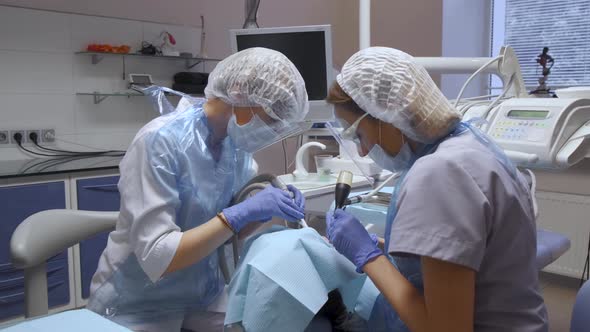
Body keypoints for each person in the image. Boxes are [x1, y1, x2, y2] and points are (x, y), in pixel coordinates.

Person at [325, 47, 548, 331]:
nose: (363, 149)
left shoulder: (438, 173)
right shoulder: (469, 144)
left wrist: (368, 258)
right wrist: (382, 249)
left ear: (384, 114)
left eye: (359, 134)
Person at [87, 47, 309, 332]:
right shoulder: (160, 142)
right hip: (136, 304)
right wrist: (237, 214)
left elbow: (226, 233)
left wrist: (261, 211)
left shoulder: (237, 149)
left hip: (202, 298)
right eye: (274, 116)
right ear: (240, 92)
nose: (276, 129)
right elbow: (158, 257)